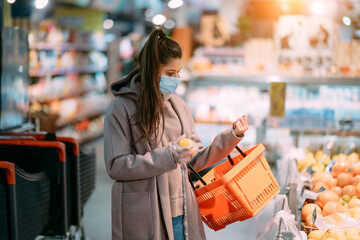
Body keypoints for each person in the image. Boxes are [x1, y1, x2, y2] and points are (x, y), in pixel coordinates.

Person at [104, 28, 248, 240]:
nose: (176, 79)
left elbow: (196, 161)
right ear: (152, 69)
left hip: (181, 212)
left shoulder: (180, 107)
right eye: (170, 74)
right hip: (145, 214)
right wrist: (168, 156)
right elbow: (116, 166)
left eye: (178, 72)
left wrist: (230, 137)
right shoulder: (121, 108)